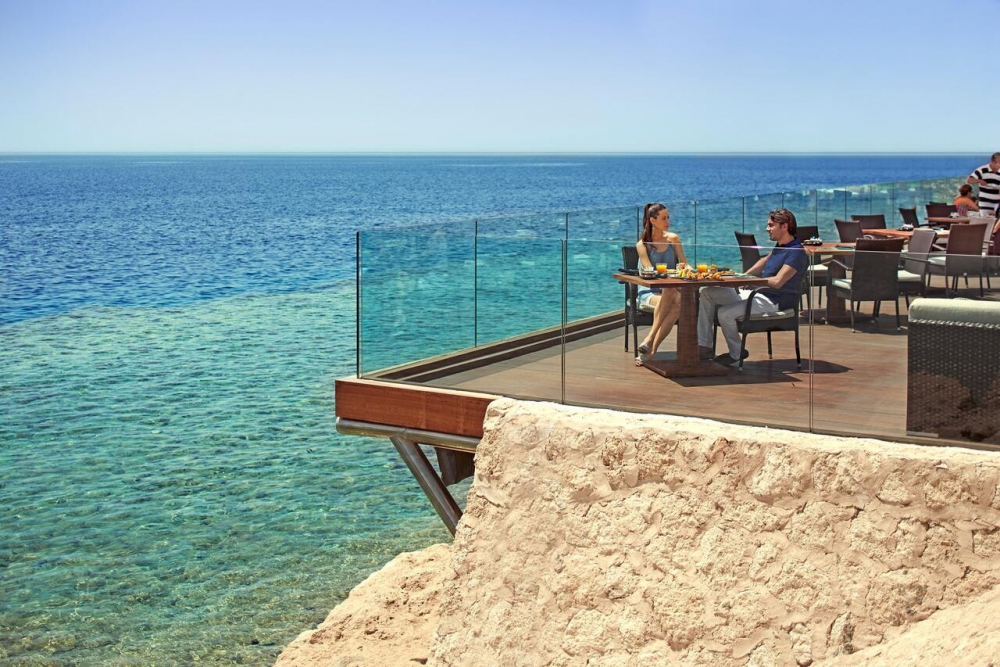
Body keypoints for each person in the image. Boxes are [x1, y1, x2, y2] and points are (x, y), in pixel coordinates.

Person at [697, 208, 808, 366]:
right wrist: (743, 277)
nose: (767, 229)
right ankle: (704, 346)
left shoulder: (796, 252)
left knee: (725, 313)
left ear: (784, 226)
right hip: (758, 295)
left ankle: (736, 354)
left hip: (774, 302)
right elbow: (765, 260)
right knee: (708, 293)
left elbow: (777, 282)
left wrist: (752, 280)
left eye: (771, 225)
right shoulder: (781, 246)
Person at [634, 203, 687, 365]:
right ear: (652, 220)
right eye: (664, 218)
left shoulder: (673, 239)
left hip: (670, 290)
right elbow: (649, 272)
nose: (667, 222)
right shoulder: (642, 245)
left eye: (668, 217)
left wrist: (694, 271)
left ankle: (650, 344)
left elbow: (684, 264)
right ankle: (652, 348)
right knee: (675, 301)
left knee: (674, 298)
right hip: (649, 293)